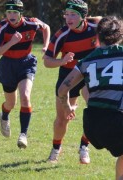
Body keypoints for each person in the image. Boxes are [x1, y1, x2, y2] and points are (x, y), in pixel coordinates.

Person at [58, 16, 123, 180]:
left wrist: (66, 106)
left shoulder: (87, 60)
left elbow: (63, 88)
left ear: (98, 37)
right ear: (120, 36)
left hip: (92, 124)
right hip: (116, 121)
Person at [43, 0, 102, 164]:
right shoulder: (62, 34)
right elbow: (47, 61)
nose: (69, 18)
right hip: (68, 77)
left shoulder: (96, 30)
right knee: (62, 119)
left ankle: (84, 146)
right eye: (67, 14)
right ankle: (56, 148)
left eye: (73, 14)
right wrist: (62, 61)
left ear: (83, 16)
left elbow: (114, 32)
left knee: (97, 113)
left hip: (90, 76)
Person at [0, 0, 50, 149]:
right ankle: (4, 115)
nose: (11, 15)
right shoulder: (2, 28)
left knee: (25, 96)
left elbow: (46, 27)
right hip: (8, 65)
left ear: (21, 13)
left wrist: (46, 46)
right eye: (9, 12)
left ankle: (23, 134)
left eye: (15, 12)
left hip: (26, 63)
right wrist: (11, 42)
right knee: (11, 103)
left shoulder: (32, 23)